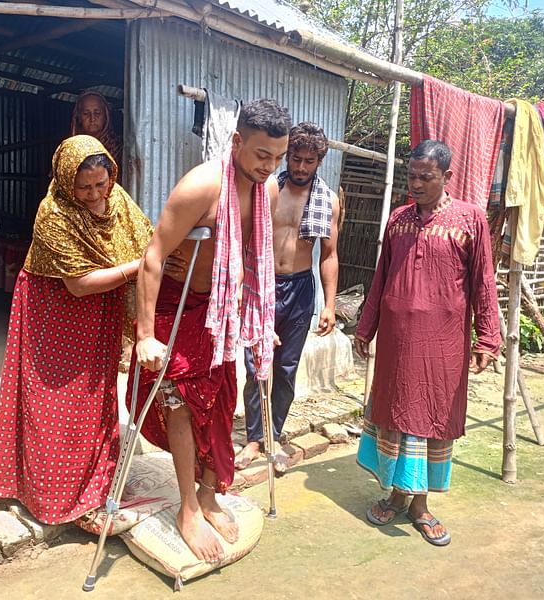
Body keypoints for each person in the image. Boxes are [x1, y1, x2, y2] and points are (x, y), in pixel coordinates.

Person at [131, 99, 292, 563]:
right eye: (263, 155)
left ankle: (207, 494)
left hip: (223, 311)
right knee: (179, 401)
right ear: (237, 142)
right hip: (177, 307)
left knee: (221, 401)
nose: (270, 166)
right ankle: (186, 509)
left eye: (278, 157)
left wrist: (262, 321)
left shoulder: (270, 193)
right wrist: (144, 335)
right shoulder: (201, 187)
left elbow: (253, 259)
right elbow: (153, 257)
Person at [0, 135, 153, 524]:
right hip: (56, 313)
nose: (95, 194)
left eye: (101, 183)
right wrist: (138, 268)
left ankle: (94, 484)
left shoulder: (118, 200)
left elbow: (147, 239)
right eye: (84, 187)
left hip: (101, 311)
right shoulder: (53, 212)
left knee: (96, 396)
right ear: (64, 181)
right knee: (57, 402)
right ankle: (50, 497)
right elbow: (78, 284)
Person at [353, 139, 501, 546]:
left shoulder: (470, 220)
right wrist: (366, 327)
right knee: (396, 412)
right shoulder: (398, 219)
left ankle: (419, 505)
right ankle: (397, 494)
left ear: (446, 177)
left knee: (429, 414)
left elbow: (483, 283)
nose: (415, 184)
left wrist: (487, 338)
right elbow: (381, 277)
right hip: (397, 343)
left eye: (425, 177)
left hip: (442, 343)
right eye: (411, 175)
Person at [234, 122, 340, 475]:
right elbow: (244, 238)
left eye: (309, 161)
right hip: (261, 284)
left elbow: (328, 254)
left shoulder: (328, 201)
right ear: (287, 156)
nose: (300, 167)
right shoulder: (265, 189)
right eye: (295, 159)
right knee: (255, 364)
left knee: (285, 367)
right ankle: (252, 437)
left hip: (299, 289)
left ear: (319, 162)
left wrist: (329, 303)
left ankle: (273, 436)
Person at [70, 90, 123, 169]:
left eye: (97, 113)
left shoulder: (119, 148)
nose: (92, 119)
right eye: (86, 113)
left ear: (105, 116)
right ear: (78, 117)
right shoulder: (70, 149)